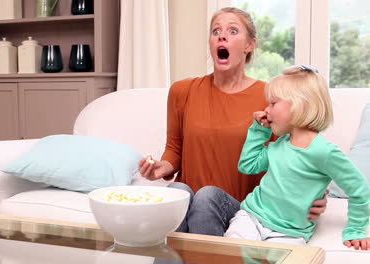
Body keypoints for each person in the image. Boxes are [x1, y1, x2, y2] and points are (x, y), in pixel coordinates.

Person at [138, 7, 327, 236]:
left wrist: (315, 194)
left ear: (249, 45)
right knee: (177, 191)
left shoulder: (271, 98)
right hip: (188, 203)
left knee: (207, 196)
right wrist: (162, 167)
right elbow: (175, 149)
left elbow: (296, 152)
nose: (222, 35)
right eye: (216, 30)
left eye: (233, 30)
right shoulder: (182, 91)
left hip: (243, 212)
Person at [224, 65, 370, 249]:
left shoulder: (324, 152)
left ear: (298, 105)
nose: (266, 110)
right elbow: (248, 165)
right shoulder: (279, 144)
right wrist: (259, 130)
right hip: (251, 217)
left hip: (290, 234)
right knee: (232, 254)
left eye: (273, 103)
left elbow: (359, 189)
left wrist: (355, 229)